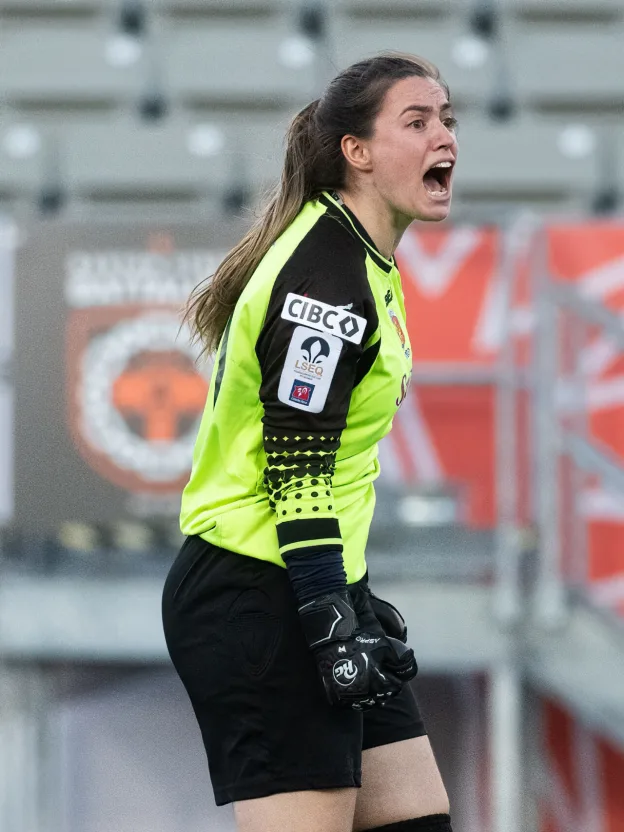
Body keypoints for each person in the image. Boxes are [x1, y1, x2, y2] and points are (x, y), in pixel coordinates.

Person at [162, 52, 458, 832]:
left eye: (447, 119)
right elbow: (296, 470)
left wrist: (349, 590)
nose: (444, 137)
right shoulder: (326, 279)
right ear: (355, 151)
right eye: (417, 121)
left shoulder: (361, 253)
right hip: (257, 595)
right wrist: (330, 609)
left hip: (313, 586)